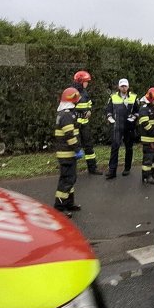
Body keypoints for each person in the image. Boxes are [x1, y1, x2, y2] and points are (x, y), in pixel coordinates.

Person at [53, 87, 84, 217]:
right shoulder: (66, 115)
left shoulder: (66, 113)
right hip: (67, 153)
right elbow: (70, 135)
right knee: (67, 180)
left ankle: (69, 203)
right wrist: (77, 149)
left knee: (70, 179)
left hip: (67, 153)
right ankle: (59, 207)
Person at [104, 77, 137, 179]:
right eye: (122, 86)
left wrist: (133, 117)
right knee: (115, 147)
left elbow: (137, 111)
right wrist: (110, 117)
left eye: (125, 86)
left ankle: (127, 168)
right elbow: (108, 110)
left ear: (128, 87)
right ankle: (112, 171)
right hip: (117, 126)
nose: (123, 88)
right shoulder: (113, 97)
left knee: (129, 148)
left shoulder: (134, 97)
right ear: (119, 87)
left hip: (129, 126)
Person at [71, 70, 102, 175]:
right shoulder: (72, 92)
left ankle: (92, 168)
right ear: (80, 81)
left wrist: (89, 110)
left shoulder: (85, 92)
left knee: (88, 146)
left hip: (85, 124)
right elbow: (67, 108)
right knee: (74, 147)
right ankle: (71, 171)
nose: (87, 83)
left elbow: (89, 103)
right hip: (75, 124)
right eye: (86, 81)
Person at [136, 87, 154, 185]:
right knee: (148, 159)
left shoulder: (152, 108)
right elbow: (144, 123)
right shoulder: (144, 108)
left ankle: (152, 174)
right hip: (148, 140)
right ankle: (146, 177)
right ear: (151, 98)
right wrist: (153, 132)